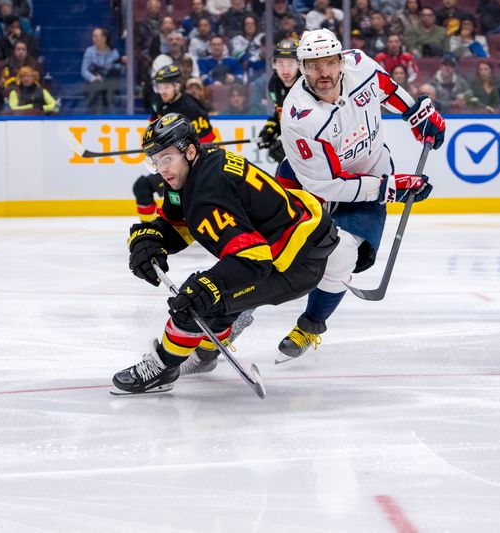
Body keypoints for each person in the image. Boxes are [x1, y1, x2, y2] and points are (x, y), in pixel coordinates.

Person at [112, 113, 339, 394]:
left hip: (294, 266)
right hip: (292, 246)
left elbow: (253, 260)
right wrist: (152, 238)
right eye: (155, 161)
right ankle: (206, 353)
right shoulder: (196, 168)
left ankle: (162, 368)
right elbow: (179, 224)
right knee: (213, 296)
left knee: (195, 302)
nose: (161, 169)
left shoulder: (208, 194)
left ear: (190, 150)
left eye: (167, 158)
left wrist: (210, 287)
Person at [274, 29, 444, 361]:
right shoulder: (298, 117)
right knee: (270, 248)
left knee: (341, 257)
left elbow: (386, 86)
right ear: (302, 69)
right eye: (313, 65)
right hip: (310, 183)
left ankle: (310, 325)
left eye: (329, 63)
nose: (323, 73)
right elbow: (327, 186)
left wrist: (415, 113)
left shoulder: (359, 65)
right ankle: (232, 314)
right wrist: (391, 188)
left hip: (369, 174)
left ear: (340, 61)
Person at [132, 65, 215, 222]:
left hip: (187, 167)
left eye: (166, 86)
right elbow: (153, 127)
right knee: (142, 186)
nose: (162, 91)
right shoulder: (158, 101)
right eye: (159, 86)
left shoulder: (193, 108)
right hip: (168, 162)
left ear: (177, 86)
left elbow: (208, 144)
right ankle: (149, 228)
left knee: (182, 201)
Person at [257, 39, 301, 165]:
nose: (285, 71)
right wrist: (271, 128)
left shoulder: (306, 85)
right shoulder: (274, 84)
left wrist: (289, 143)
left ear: (299, 64)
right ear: (274, 64)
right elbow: (280, 111)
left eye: (290, 64)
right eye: (281, 64)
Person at [81, 27, 125, 114]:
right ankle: (97, 115)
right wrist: (94, 78)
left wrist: (123, 63)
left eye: (96, 36)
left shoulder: (113, 52)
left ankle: (113, 115)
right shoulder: (89, 52)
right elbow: (84, 71)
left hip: (109, 84)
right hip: (94, 84)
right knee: (97, 88)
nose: (93, 39)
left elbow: (118, 71)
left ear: (104, 38)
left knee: (110, 85)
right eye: (93, 36)